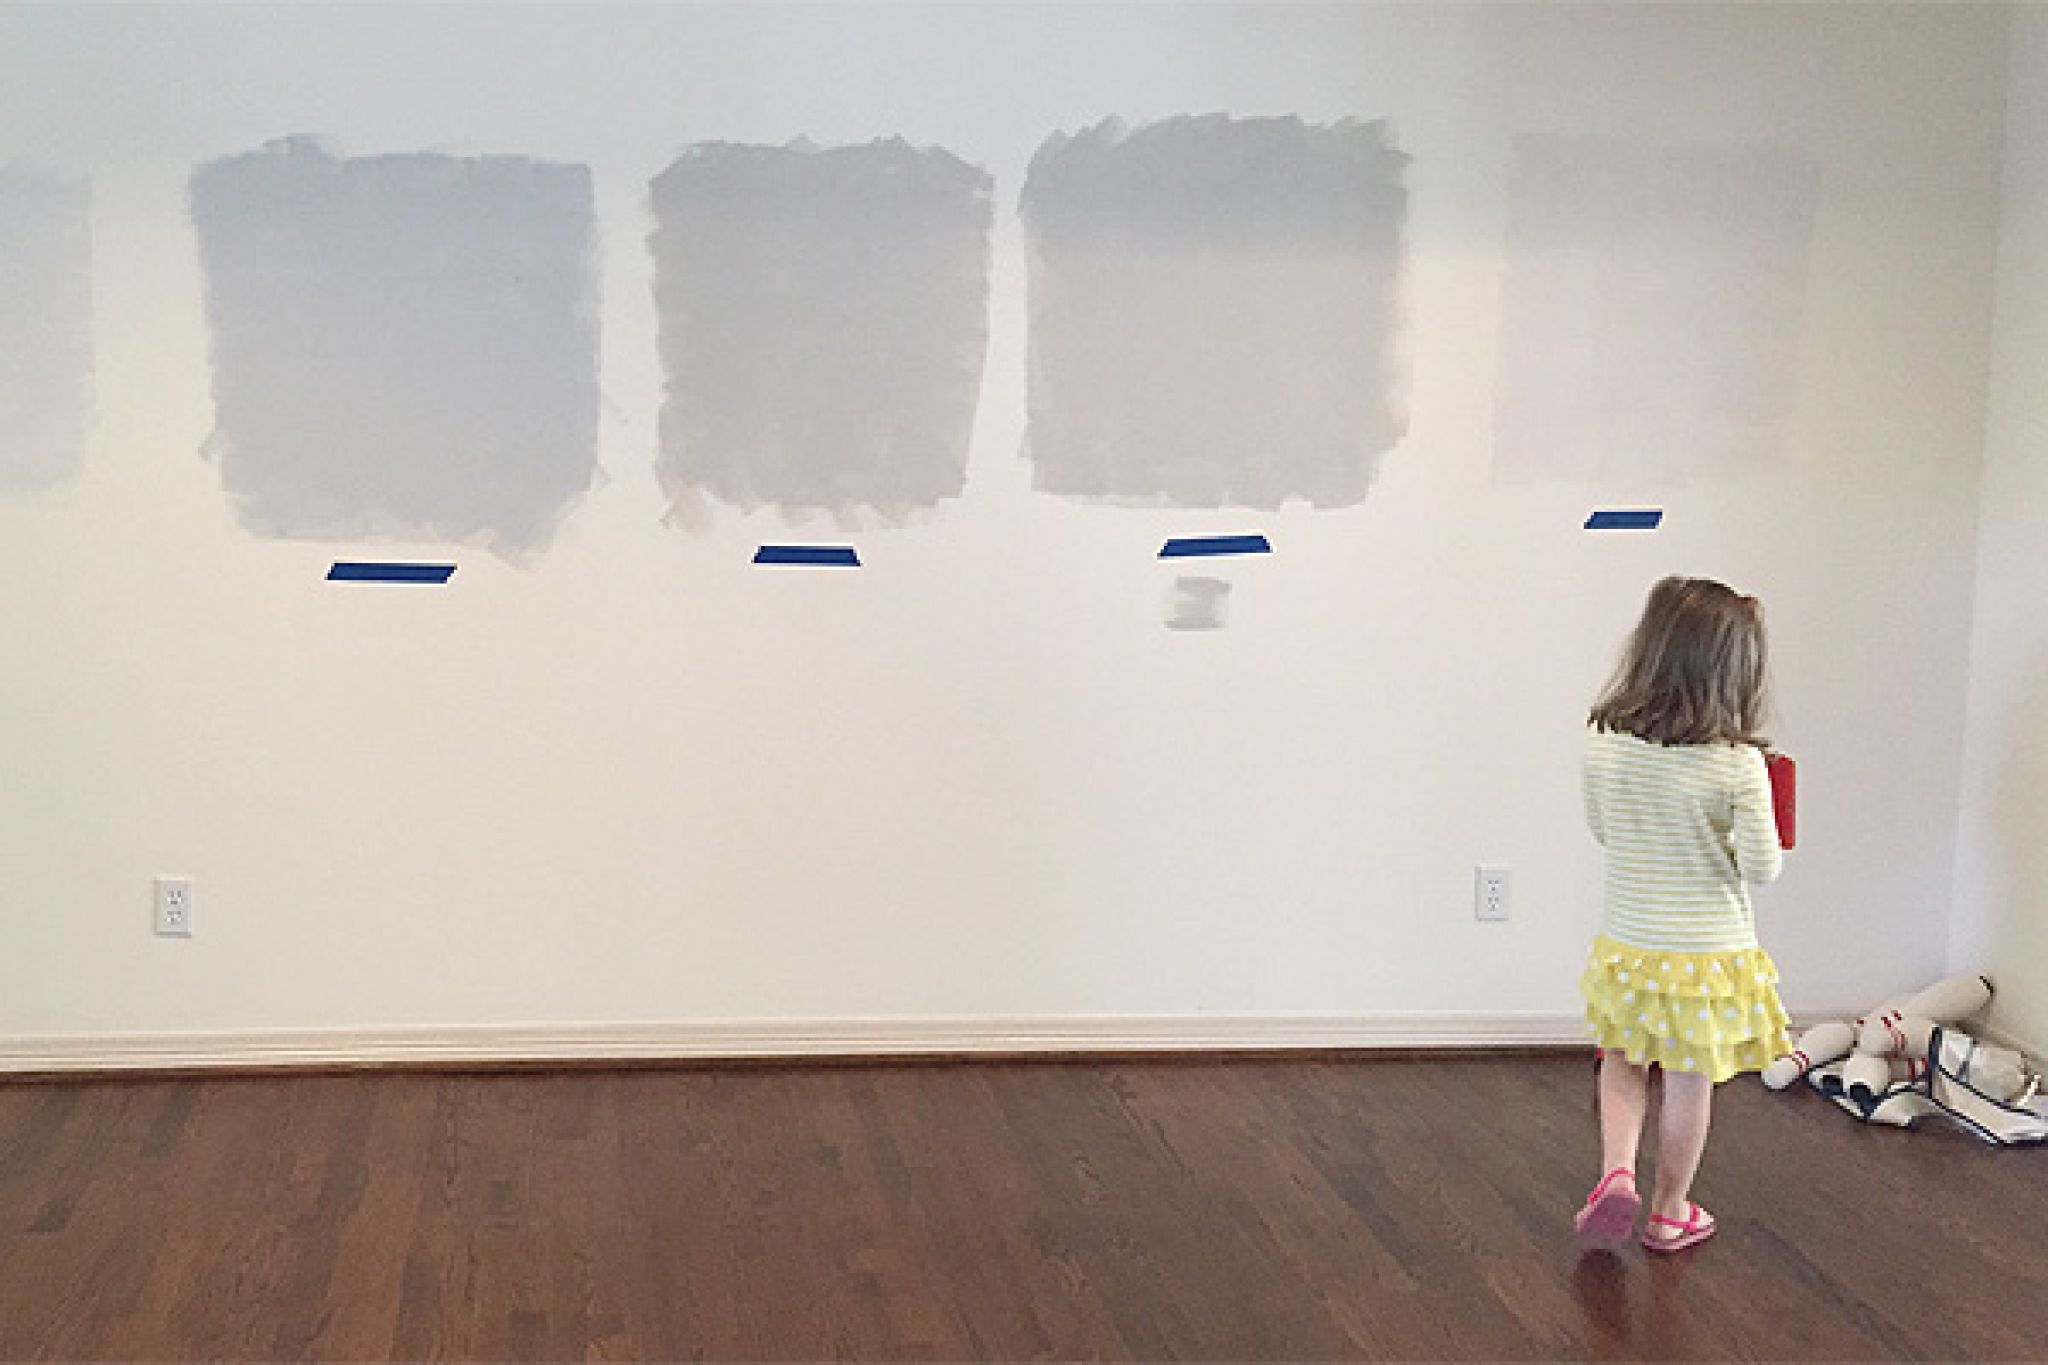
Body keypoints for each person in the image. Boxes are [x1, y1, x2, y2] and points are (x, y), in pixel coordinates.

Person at [1574, 576, 1791, 1253]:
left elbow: (1603, 827)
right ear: (1734, 669)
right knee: (1690, 1084)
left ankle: (1615, 1173)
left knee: (1623, 1061)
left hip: (1631, 943)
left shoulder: (1604, 739)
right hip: (1710, 954)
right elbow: (1762, 868)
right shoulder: (1739, 765)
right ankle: (1670, 1209)